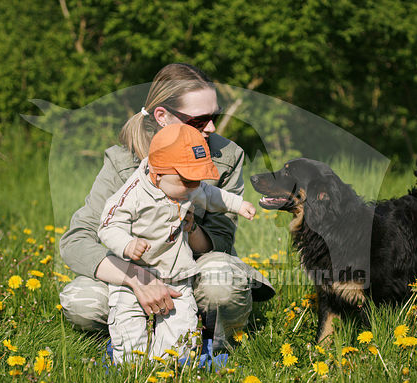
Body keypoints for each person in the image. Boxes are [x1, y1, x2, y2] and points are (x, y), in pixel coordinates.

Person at [59, 63, 275, 352]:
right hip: (133, 272)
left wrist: (191, 228)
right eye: (199, 121)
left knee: (224, 285)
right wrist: (137, 279)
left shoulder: (226, 155)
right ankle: (128, 333)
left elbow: (221, 241)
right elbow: (76, 241)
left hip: (191, 269)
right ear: (162, 116)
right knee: (80, 302)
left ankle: (209, 338)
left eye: (214, 117)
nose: (211, 128)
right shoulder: (123, 161)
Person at [98, 124, 256, 363]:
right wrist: (127, 244)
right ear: (157, 173)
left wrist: (238, 205)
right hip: (133, 276)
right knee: (128, 327)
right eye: (187, 181)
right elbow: (108, 225)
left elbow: (212, 196)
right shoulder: (132, 194)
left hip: (177, 274)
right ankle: (131, 369)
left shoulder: (187, 188)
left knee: (182, 330)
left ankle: (169, 368)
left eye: (197, 180)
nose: (194, 187)